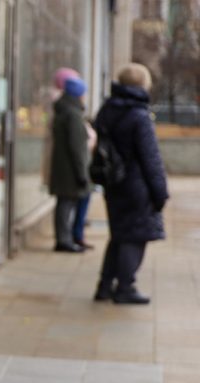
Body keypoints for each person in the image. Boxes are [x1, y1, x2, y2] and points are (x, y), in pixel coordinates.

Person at [93, 64, 168, 305]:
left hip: (114, 183)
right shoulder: (139, 116)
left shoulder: (107, 110)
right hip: (136, 186)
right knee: (134, 237)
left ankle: (105, 285)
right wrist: (160, 193)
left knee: (119, 235)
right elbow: (151, 158)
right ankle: (125, 286)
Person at [50, 76, 92, 253]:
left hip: (64, 167)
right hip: (70, 169)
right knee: (66, 205)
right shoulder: (73, 115)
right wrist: (82, 173)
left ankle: (65, 238)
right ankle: (64, 239)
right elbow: (78, 148)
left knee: (64, 204)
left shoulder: (64, 111)